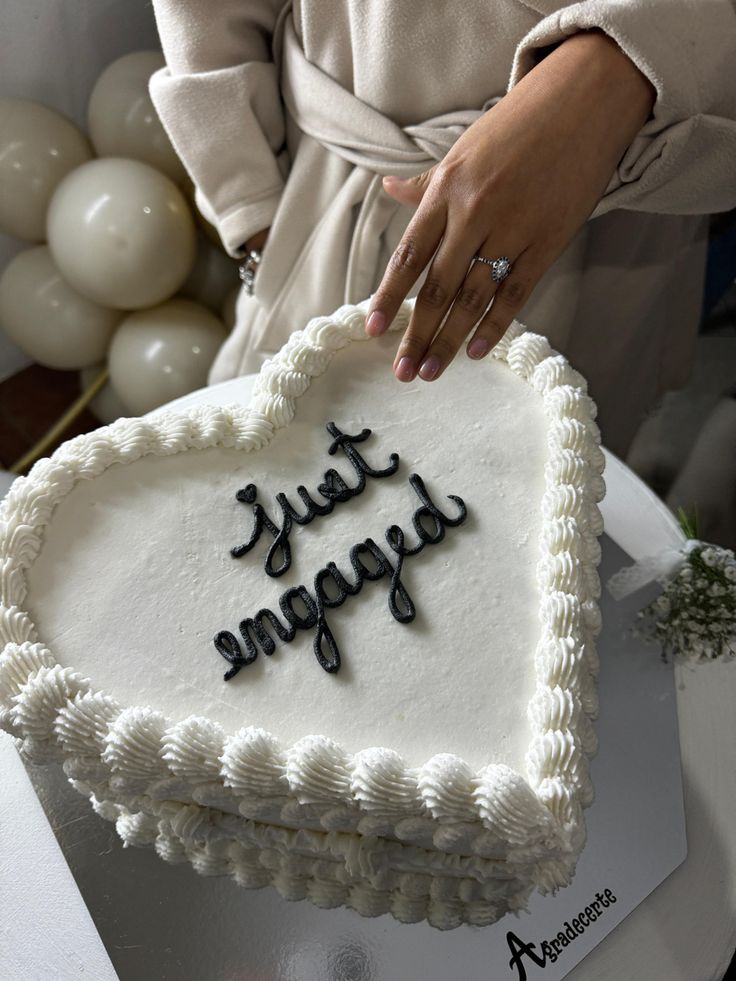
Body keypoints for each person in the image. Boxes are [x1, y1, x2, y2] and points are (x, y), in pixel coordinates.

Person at [149, 0, 736, 456]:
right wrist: (252, 205)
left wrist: (628, 65)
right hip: (331, 191)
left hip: (602, 241)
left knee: (534, 523)